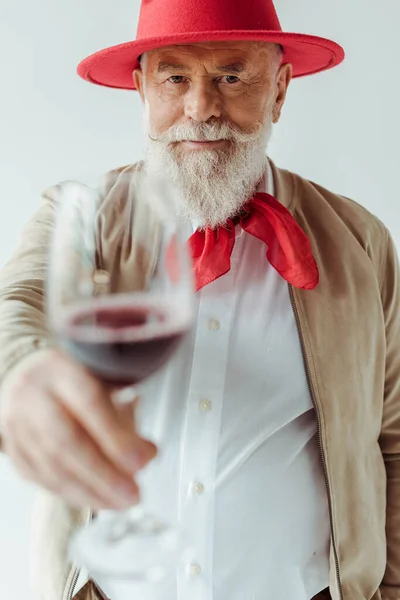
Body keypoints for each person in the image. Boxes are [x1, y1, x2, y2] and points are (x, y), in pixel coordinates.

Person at [0, 0, 399, 599]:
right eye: (175, 77)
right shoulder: (80, 217)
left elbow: (393, 441)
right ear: (142, 90)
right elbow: (20, 300)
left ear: (281, 89)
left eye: (232, 76)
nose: (202, 108)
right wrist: (22, 369)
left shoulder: (361, 242)